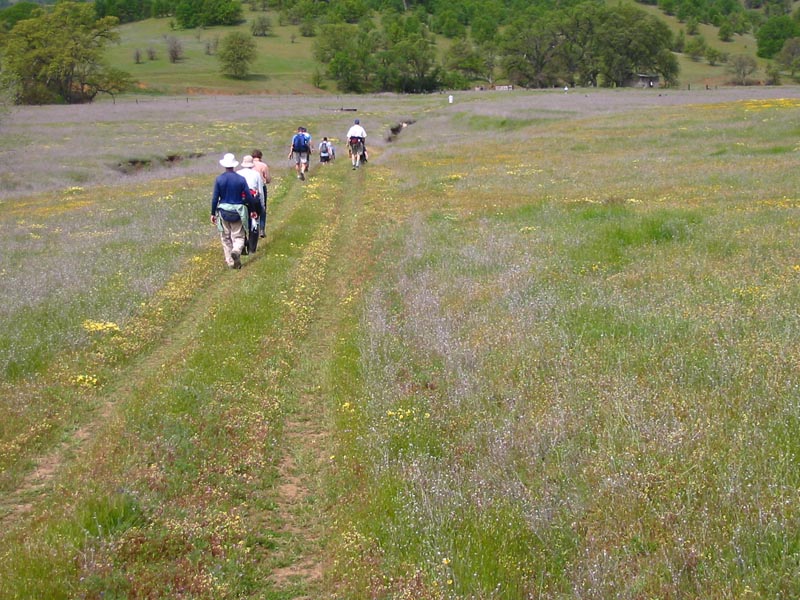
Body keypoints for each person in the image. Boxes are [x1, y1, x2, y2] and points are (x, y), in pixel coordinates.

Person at [211, 153, 260, 269]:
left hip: (223, 211)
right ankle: (237, 250)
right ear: (234, 165)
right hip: (238, 211)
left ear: (224, 165)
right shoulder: (241, 179)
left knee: (225, 237)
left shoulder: (219, 179)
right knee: (238, 236)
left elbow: (215, 198)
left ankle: (230, 262)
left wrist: (213, 213)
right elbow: (248, 197)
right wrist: (253, 210)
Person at [237, 155, 264, 251]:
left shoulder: (238, 173)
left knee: (241, 221)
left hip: (241, 200)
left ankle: (242, 242)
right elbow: (260, 191)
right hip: (253, 199)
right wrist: (262, 204)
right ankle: (252, 247)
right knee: (254, 222)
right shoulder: (256, 174)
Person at [251, 149, 271, 238]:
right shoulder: (263, 165)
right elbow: (268, 179)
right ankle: (262, 229)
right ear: (260, 156)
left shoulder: (249, 166)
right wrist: (266, 180)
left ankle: (253, 227)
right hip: (261, 188)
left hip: (250, 189)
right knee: (262, 208)